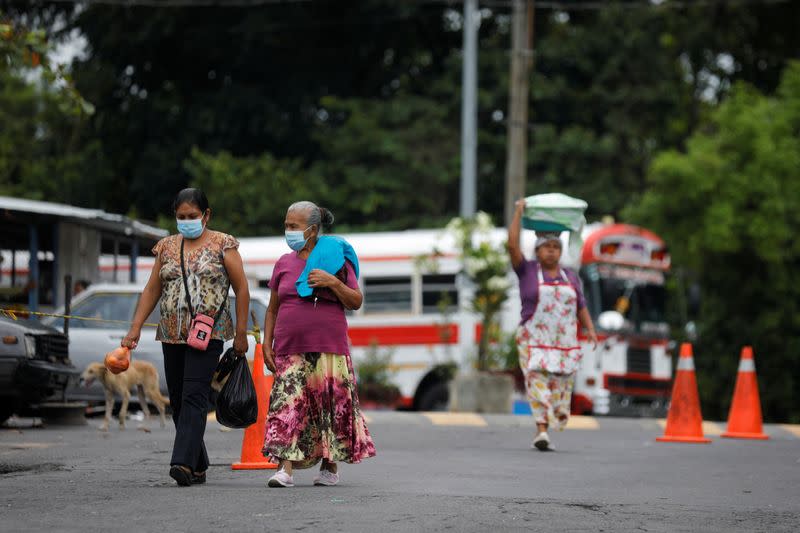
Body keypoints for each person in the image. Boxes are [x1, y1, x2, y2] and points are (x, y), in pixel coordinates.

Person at [121, 188, 250, 486]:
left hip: (209, 333)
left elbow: (242, 288)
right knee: (178, 399)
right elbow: (152, 289)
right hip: (170, 333)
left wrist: (241, 334)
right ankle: (199, 462)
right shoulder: (165, 247)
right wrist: (135, 327)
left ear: (206, 215)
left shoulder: (223, 244)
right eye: (181, 217)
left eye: (192, 216)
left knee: (194, 395)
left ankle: (181, 462)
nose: (187, 221)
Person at [262, 201, 375, 488]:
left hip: (329, 347)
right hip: (289, 347)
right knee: (287, 405)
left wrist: (332, 283)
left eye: (293, 226)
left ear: (312, 230)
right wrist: (266, 343)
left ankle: (329, 467)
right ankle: (284, 470)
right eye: (286, 225)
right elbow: (273, 308)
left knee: (329, 406)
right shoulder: (283, 264)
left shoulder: (336, 259)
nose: (288, 231)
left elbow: (356, 301)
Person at [508, 199, 597, 451]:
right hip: (533, 340)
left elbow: (580, 304)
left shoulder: (570, 276)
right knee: (537, 383)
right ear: (537, 251)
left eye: (555, 247)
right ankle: (541, 431)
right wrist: (518, 212)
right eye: (545, 247)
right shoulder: (526, 271)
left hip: (564, 343)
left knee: (560, 389)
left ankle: (552, 421)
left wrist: (589, 329)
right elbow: (511, 245)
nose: (551, 251)